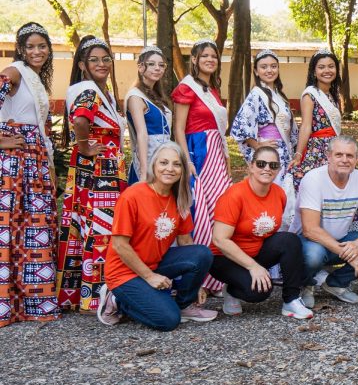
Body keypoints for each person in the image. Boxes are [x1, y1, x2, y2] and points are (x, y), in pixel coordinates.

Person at [96, 142, 217, 330]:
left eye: (176, 164)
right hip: (124, 272)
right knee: (168, 320)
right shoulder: (133, 195)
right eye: (164, 163)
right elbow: (120, 246)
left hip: (155, 263)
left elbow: (186, 243)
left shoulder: (179, 198)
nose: (170, 169)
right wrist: (150, 277)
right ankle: (117, 299)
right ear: (154, 165)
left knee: (202, 253)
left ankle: (185, 304)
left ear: (183, 169)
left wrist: (195, 286)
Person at [57, 35, 128, 311]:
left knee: (96, 230)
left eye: (106, 59)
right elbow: (80, 120)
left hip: (105, 170)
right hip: (99, 172)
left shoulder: (103, 91)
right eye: (94, 60)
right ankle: (97, 295)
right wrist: (84, 146)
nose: (102, 64)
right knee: (101, 230)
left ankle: (93, 293)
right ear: (83, 65)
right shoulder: (88, 89)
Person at [209, 143, 312, 320]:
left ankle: (292, 300)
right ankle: (232, 290)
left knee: (289, 240)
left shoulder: (279, 194)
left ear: (278, 169)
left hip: (255, 252)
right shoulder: (234, 195)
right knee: (259, 292)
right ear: (251, 166)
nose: (267, 169)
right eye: (261, 164)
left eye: (273, 165)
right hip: (224, 258)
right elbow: (220, 240)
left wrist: (261, 262)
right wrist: (253, 267)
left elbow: (268, 232)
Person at [0, 22, 59, 326]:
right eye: (31, 46)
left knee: (31, 228)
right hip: (15, 160)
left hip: (34, 157)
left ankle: (32, 302)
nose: (37, 51)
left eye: (42, 46)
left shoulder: (32, 77)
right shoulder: (14, 71)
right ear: (21, 49)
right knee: (14, 227)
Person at [297, 135, 358, 307]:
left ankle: (335, 283)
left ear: (356, 159)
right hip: (311, 241)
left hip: (342, 239)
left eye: (350, 156)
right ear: (328, 156)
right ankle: (306, 285)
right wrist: (352, 256)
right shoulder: (313, 179)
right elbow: (310, 229)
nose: (344, 160)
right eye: (339, 155)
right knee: (313, 256)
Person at [171, 40, 230, 267]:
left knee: (220, 208)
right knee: (201, 210)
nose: (210, 60)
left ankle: (218, 268)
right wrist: (186, 161)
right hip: (198, 152)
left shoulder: (212, 90)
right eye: (204, 55)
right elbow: (179, 128)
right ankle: (201, 271)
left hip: (215, 150)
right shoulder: (187, 87)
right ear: (194, 59)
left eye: (214, 56)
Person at [230, 49, 298, 226]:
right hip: (270, 154)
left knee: (285, 193)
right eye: (264, 67)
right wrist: (257, 145)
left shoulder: (279, 95)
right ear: (256, 71)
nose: (269, 70)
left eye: (273, 66)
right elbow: (240, 125)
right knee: (271, 191)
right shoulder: (256, 94)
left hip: (284, 153)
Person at [290, 48, 343, 198]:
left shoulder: (332, 95)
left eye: (331, 66)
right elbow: (306, 126)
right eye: (321, 67)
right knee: (318, 190)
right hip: (318, 149)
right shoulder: (310, 94)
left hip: (334, 147)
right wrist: (299, 154)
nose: (327, 70)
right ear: (314, 72)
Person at [125, 45, 172, 186]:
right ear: (140, 67)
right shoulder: (135, 97)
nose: (157, 68)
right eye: (151, 64)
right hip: (148, 158)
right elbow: (142, 134)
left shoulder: (157, 96)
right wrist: (144, 171)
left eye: (161, 65)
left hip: (163, 158)